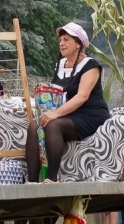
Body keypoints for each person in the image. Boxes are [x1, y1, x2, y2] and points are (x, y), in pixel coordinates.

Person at [25, 22, 110, 183]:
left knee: (53, 125)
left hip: (90, 115)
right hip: (69, 114)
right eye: (60, 40)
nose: (61, 43)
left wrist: (54, 114)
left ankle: (51, 179)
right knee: (34, 125)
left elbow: (82, 96)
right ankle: (32, 182)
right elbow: (57, 94)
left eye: (66, 40)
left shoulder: (91, 66)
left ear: (78, 44)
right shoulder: (60, 64)